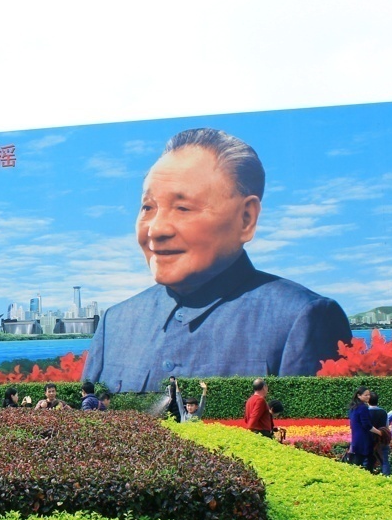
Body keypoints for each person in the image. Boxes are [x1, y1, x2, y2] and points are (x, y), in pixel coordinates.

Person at [82, 128, 352, 392]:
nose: (155, 230)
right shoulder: (115, 323)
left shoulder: (301, 318)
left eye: (182, 208)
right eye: (147, 207)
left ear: (246, 218)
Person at [347, 386, 382, 466]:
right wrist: (379, 432)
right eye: (365, 395)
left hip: (356, 438)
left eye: (368, 395)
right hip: (364, 439)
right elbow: (367, 425)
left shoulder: (353, 407)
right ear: (359, 395)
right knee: (367, 462)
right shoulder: (363, 408)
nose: (368, 397)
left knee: (357, 462)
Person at [368, 392, 392, 475]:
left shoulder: (366, 412)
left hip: (369, 439)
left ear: (368, 401)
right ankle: (387, 478)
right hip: (381, 439)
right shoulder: (383, 412)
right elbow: (387, 426)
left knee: (367, 461)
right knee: (384, 461)